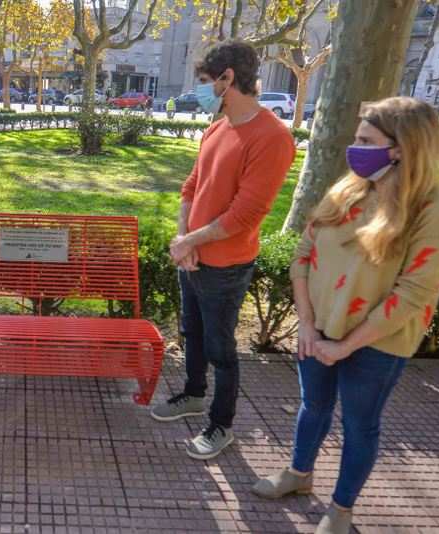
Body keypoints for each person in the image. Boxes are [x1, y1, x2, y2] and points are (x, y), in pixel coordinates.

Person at [252, 97, 439, 534]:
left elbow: (413, 293)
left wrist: (345, 346)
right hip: (318, 330)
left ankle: (341, 509)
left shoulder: (429, 209)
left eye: (366, 140)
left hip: (377, 342)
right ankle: (299, 476)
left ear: (402, 148)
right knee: (313, 406)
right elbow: (303, 255)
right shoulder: (349, 187)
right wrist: (307, 324)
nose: (354, 148)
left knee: (360, 425)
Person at [149, 40, 296, 459]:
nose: (202, 89)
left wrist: (189, 242)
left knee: (221, 348)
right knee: (192, 334)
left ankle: (221, 425)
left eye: (206, 81)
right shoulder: (217, 126)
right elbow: (191, 186)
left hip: (226, 265)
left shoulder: (272, 138)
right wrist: (184, 240)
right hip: (192, 256)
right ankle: (194, 394)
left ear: (228, 77)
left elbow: (244, 215)